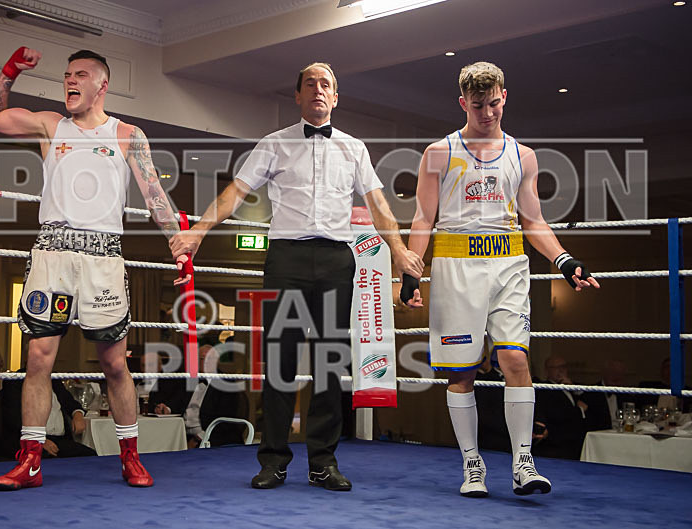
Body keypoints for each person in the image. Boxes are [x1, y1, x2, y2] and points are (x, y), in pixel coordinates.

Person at [170, 62, 423, 491]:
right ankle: (273, 460)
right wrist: (198, 231)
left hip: (336, 258)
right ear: (298, 96)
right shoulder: (274, 143)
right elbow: (236, 192)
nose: (319, 90)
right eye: (311, 84)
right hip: (286, 256)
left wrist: (398, 250)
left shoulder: (354, 148)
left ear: (336, 97)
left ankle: (323, 460)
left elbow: (379, 204)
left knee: (329, 361)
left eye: (326, 84)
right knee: (281, 361)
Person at [0, 47, 188, 490]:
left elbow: (154, 196)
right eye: (67, 74)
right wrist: (9, 70)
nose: (70, 81)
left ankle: (130, 456)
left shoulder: (127, 133)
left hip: (103, 258)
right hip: (52, 253)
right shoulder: (50, 125)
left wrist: (179, 247)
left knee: (114, 363)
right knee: (38, 358)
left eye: (81, 75)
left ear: (102, 84)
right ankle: (30, 460)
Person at [402, 61, 600, 497]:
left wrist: (565, 261)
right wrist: (412, 272)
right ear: (462, 104)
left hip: (509, 264)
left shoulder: (522, 155)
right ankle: (473, 466)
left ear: (504, 97)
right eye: (478, 106)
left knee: (516, 361)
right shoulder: (439, 152)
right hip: (456, 267)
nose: (488, 113)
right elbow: (423, 216)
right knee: (461, 374)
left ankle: (523, 463)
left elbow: (534, 220)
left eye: (494, 103)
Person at [533, 355, 590, 459]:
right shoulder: (544, 389)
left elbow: (590, 402)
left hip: (575, 444)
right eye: (556, 367)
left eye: (563, 367)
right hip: (557, 445)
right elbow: (557, 414)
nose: (560, 370)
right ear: (547, 371)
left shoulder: (571, 387)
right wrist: (580, 410)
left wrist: (573, 388)